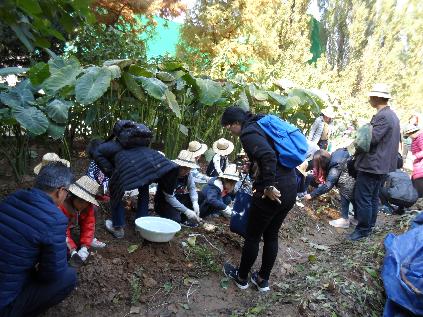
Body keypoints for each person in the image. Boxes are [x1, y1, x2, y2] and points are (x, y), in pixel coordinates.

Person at [220, 106, 297, 292]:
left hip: (271, 191)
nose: (231, 131)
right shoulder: (259, 125)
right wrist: (254, 165)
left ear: (237, 123)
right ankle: (262, 280)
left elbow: (269, 156)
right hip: (290, 187)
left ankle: (242, 277)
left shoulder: (248, 133)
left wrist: (269, 186)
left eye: (230, 127)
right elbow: (270, 154)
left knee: (253, 236)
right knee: (271, 235)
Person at [0, 162, 77, 316]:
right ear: (60, 191)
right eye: (67, 193)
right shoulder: (55, 219)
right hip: (5, 302)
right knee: (68, 276)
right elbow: (51, 275)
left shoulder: (13, 198)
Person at [92, 120, 179, 238]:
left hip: (127, 169)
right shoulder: (140, 141)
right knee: (144, 190)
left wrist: (110, 171)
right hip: (147, 166)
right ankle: (141, 224)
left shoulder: (114, 145)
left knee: (116, 192)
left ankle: (117, 227)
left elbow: (97, 153)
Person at [350, 83, 400, 241]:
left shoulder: (383, 116)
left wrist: (361, 134)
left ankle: (363, 229)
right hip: (381, 166)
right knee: (371, 197)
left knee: (363, 197)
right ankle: (369, 226)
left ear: (377, 98)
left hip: (373, 165)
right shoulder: (392, 115)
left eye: (371, 96)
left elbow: (371, 140)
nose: (369, 99)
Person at [304, 148, 356, 228]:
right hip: (355, 175)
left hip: (348, 179)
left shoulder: (334, 167)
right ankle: (357, 218)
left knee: (345, 193)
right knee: (353, 197)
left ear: (321, 163)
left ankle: (344, 220)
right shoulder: (334, 157)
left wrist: (311, 195)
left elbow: (328, 185)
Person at [60, 176, 102, 267]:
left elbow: (88, 225)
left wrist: (84, 247)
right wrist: (72, 250)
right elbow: (62, 231)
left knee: (94, 210)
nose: (83, 205)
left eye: (87, 202)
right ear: (73, 197)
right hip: (64, 225)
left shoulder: (89, 207)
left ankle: (90, 240)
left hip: (74, 220)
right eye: (80, 201)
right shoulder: (63, 206)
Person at [155, 150, 201, 224]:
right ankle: (180, 216)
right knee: (175, 220)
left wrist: (195, 202)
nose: (187, 171)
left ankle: (185, 219)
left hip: (178, 197)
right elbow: (169, 198)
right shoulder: (169, 174)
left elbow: (192, 188)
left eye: (189, 168)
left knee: (201, 195)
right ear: (178, 165)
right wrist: (187, 211)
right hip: (164, 202)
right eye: (184, 168)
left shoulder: (188, 174)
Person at [404, 124, 423, 197]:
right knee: (414, 187)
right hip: (418, 167)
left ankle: (419, 206)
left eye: (409, 135)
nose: (409, 137)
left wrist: (414, 157)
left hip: (420, 168)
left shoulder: (420, 137)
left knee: (418, 191)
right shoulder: (415, 139)